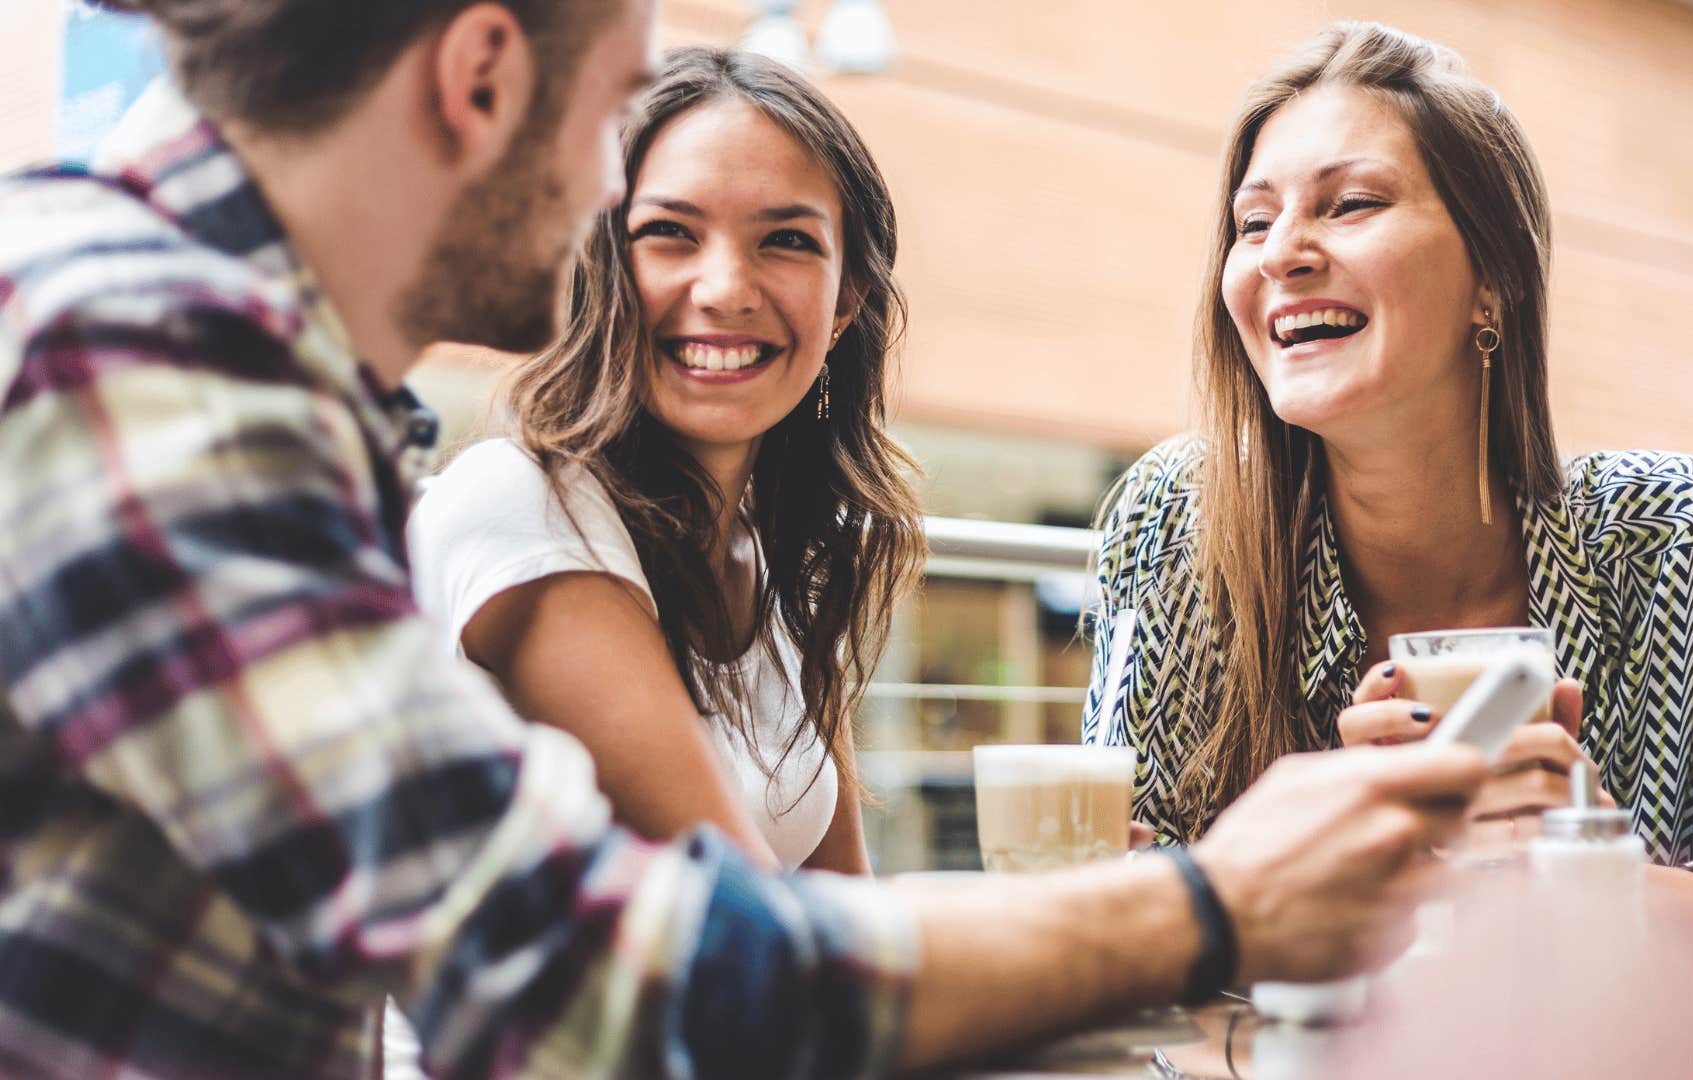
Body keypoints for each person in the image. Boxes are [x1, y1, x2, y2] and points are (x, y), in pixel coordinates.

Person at [0, 3, 1491, 1077]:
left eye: (786, 239)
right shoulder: (132, 361)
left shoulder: (242, 372)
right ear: (479, 75)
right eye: (618, 133)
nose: (607, 201)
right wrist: (1214, 907)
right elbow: (601, 986)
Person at [1083, 20, 1693, 978]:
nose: (1282, 253)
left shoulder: (1685, 538)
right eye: (1253, 222)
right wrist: (1316, 862)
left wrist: (1600, 883)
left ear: (1496, 276)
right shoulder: (1175, 523)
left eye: (1350, 203)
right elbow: (1115, 889)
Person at [407, 47, 919, 877]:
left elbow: (842, 910)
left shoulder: (780, 559)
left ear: (846, 303)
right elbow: (762, 936)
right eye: (669, 233)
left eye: (785, 240)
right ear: (600, 261)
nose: (725, 288)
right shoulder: (526, 511)